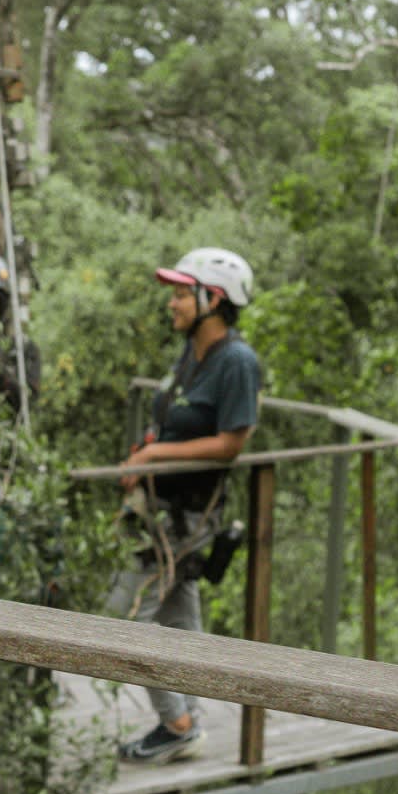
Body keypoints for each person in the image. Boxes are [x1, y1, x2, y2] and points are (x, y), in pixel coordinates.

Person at [110, 246, 262, 766]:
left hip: (188, 514)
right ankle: (185, 723)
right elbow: (176, 417)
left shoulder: (237, 362)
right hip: (161, 507)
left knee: (125, 620)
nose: (172, 304)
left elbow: (231, 443)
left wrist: (156, 452)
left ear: (211, 298)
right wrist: (146, 454)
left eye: (180, 294)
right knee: (178, 622)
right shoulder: (192, 354)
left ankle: (175, 721)